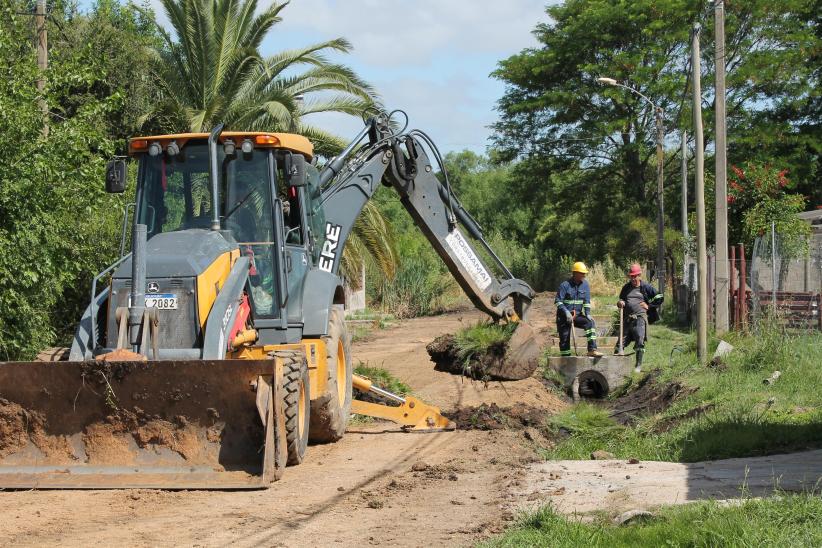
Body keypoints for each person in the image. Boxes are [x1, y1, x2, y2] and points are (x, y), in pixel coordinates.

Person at [615, 263, 664, 372]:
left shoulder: (646, 287)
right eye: (631, 276)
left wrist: (649, 306)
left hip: (640, 318)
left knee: (640, 340)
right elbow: (621, 299)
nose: (633, 278)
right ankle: (616, 367)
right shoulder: (626, 288)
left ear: (639, 275)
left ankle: (638, 365)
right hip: (627, 318)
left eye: (635, 276)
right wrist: (620, 302)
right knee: (620, 343)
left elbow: (660, 297)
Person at [555, 262, 603, 358]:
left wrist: (588, 313)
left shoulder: (585, 285)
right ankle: (566, 360)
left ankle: (592, 350)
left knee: (590, 323)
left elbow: (586, 301)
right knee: (564, 340)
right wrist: (566, 312)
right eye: (582, 273)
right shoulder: (565, 285)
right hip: (564, 317)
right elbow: (558, 301)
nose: (584, 275)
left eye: (584, 273)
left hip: (577, 315)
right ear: (575, 273)